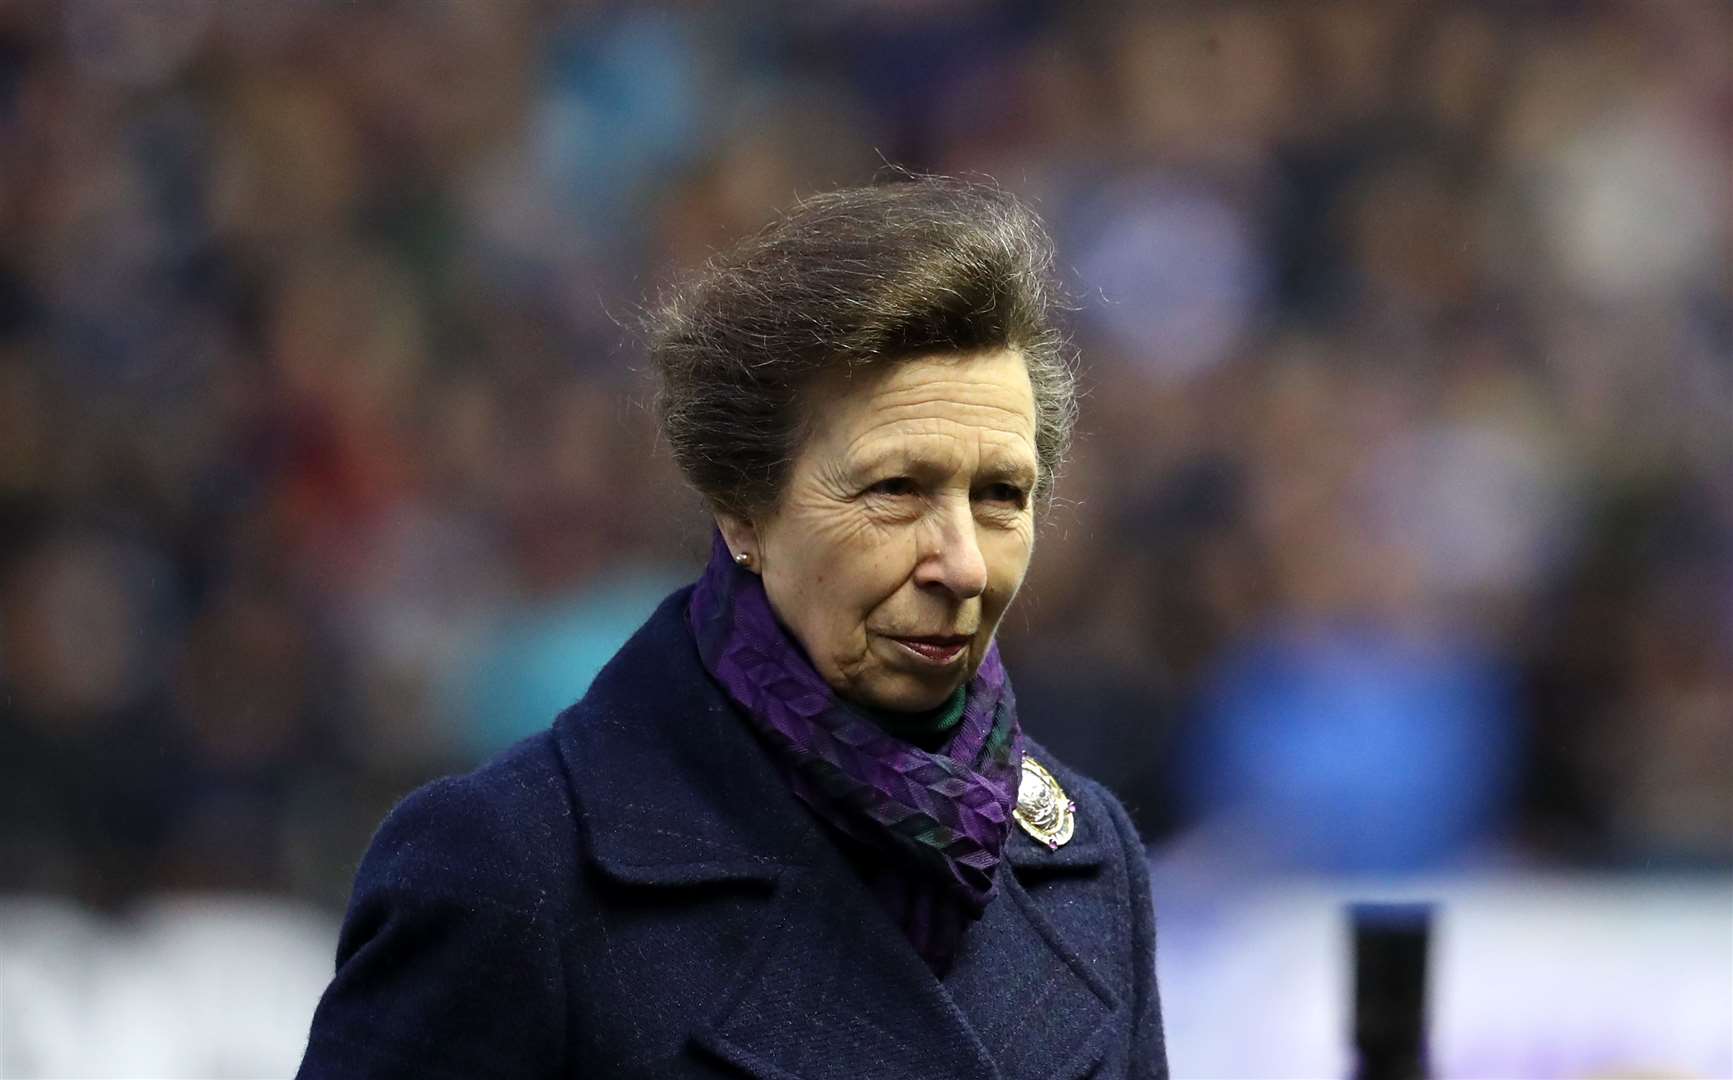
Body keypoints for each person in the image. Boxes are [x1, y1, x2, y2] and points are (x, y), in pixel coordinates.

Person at [296, 176, 1168, 1079]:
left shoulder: (1085, 864)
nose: (962, 563)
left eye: (1000, 497)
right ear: (743, 509)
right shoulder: (513, 866)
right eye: (895, 491)